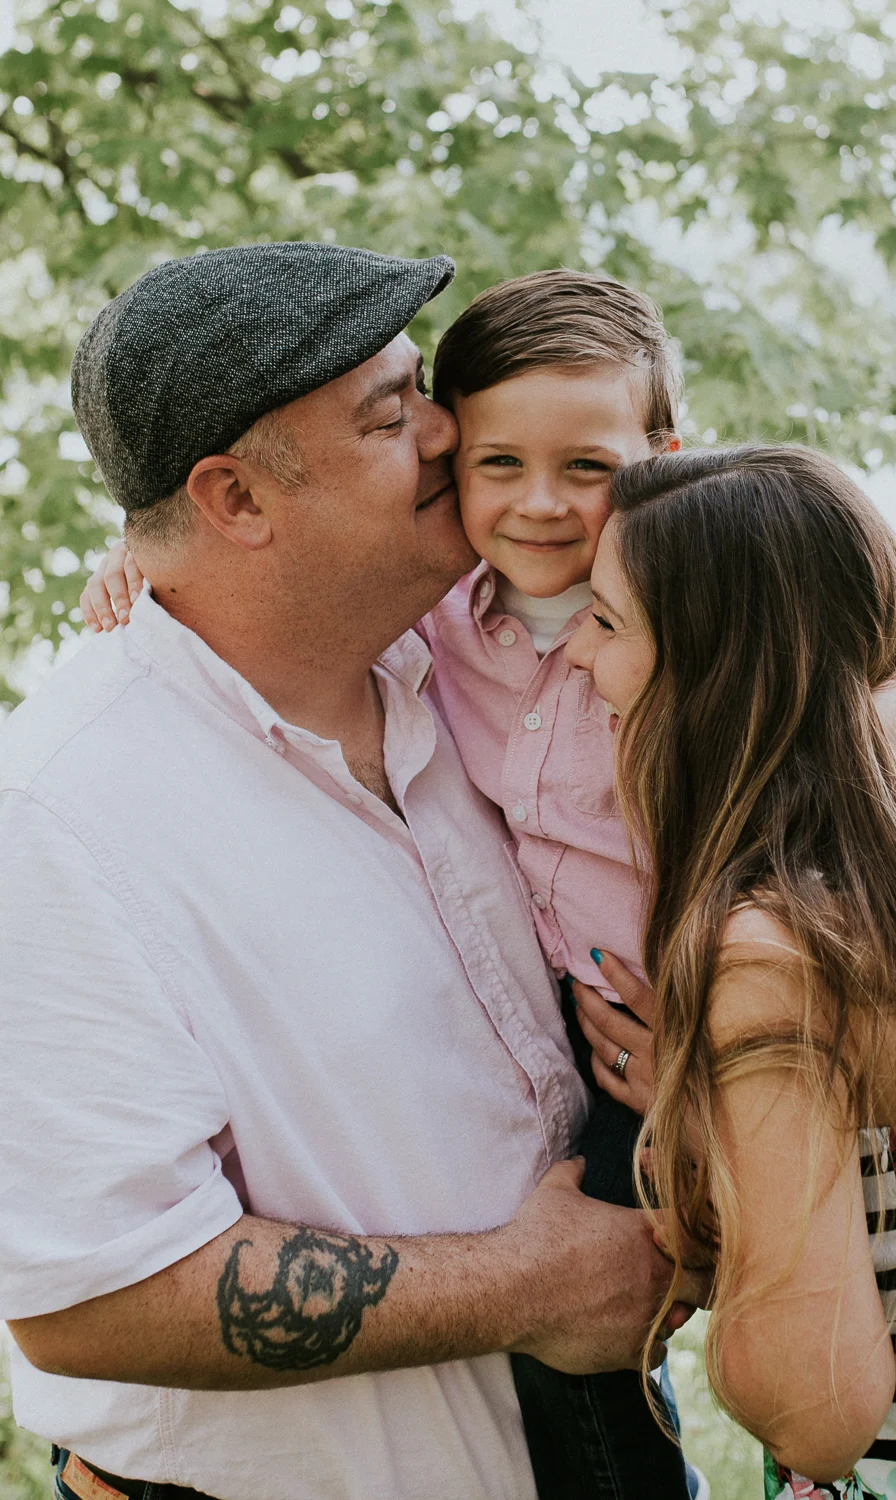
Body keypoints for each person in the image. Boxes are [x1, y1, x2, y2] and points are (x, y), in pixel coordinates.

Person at [82, 268, 896, 1500]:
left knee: (775, 1293)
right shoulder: (434, 621)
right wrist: (142, 550)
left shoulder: (687, 607)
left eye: (584, 468)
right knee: (605, 1316)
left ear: (656, 461)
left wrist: (827, 743)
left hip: (720, 1014)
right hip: (594, 1035)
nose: (537, 504)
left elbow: (894, 698)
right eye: (494, 462)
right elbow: (260, 583)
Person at [0, 243, 701, 1500]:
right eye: (390, 415)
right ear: (235, 499)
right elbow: (90, 1299)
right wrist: (536, 1288)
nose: (447, 429)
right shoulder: (61, 815)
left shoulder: (474, 664)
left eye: (423, 387)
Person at [566, 445, 896, 1498]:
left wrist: (708, 1142)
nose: (577, 651)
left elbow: (816, 1409)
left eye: (608, 622)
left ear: (710, 673)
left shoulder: (768, 956)